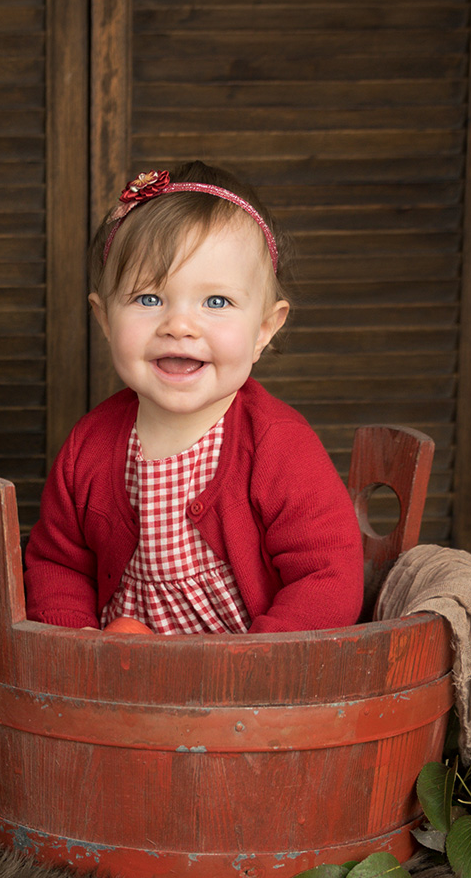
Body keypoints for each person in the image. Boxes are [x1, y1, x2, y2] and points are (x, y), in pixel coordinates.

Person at [23, 162, 362, 634]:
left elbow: (327, 575)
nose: (179, 325)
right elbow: (57, 564)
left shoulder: (278, 446)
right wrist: (77, 645)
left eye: (216, 302)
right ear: (104, 319)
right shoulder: (88, 447)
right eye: (148, 299)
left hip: (251, 687)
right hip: (122, 680)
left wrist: (262, 665)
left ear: (264, 329)